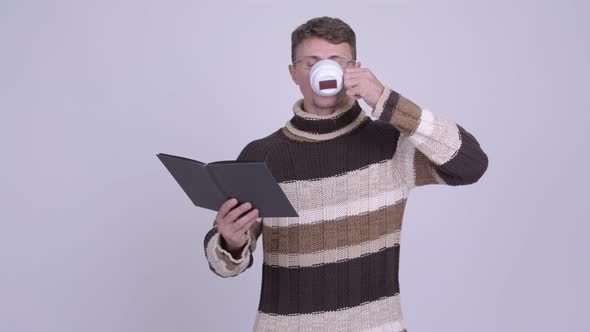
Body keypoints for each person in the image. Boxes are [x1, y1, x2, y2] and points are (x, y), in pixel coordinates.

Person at [202, 16, 488, 332]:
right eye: (310, 63)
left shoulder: (388, 145)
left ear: (354, 69)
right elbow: (224, 267)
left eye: (336, 62)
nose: (323, 71)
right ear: (294, 73)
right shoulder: (262, 156)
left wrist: (386, 99)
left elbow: (471, 163)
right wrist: (229, 242)